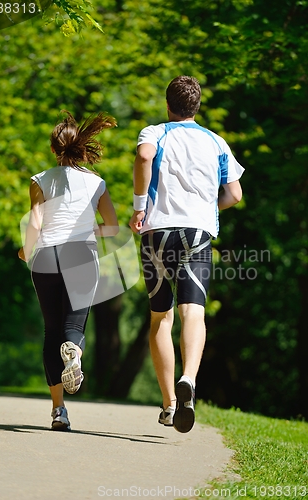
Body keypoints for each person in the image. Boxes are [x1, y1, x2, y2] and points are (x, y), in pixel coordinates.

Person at [129, 76, 244, 433]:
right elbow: (235, 195)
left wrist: (138, 206)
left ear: (168, 105)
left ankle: (169, 404)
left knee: (160, 318)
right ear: (197, 107)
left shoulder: (155, 132)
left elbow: (145, 156)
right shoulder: (216, 141)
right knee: (193, 313)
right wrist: (208, 208)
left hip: (157, 231)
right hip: (197, 234)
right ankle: (189, 378)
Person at [18, 110, 118, 431]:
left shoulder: (40, 180)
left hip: (46, 256)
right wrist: (90, 230)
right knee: (73, 328)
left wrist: (25, 250)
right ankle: (74, 351)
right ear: (82, 147)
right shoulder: (96, 182)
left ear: (52, 149)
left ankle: (59, 411)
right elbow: (113, 228)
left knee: (51, 332)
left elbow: (35, 223)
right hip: (82, 255)